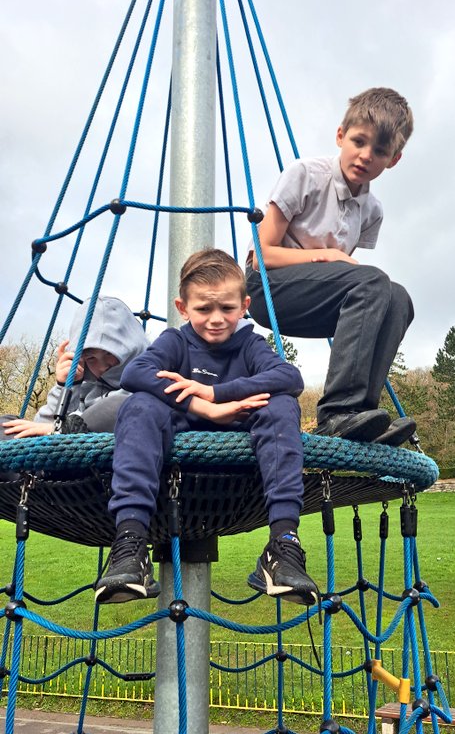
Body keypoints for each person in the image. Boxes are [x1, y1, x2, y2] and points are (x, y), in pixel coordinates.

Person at [95, 249, 320, 614]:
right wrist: (203, 407)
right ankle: (130, 544)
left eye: (227, 308)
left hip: (240, 439)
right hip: (179, 430)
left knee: (282, 405)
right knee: (139, 405)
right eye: (203, 309)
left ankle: (283, 544)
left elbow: (289, 377)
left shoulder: (249, 345)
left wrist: (217, 392)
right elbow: (136, 373)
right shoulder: (176, 341)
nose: (216, 319)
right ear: (183, 307)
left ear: (245, 305)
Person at [246, 87, 416, 445]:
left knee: (398, 299)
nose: (365, 156)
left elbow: (346, 283)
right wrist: (324, 255)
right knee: (374, 282)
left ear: (394, 159)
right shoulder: (305, 175)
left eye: (380, 151)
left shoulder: (372, 211)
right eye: (358, 141)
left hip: (315, 298)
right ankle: (336, 412)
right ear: (341, 136)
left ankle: (361, 417)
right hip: (268, 288)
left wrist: (336, 266)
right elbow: (258, 256)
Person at [0, 297, 149, 439]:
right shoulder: (86, 385)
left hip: (112, 454)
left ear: (130, 348)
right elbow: (41, 427)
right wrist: (66, 385)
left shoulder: (150, 376)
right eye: (91, 358)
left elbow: (142, 414)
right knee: (6, 425)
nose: (102, 366)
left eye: (110, 353)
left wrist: (63, 430)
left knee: (116, 405)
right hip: (64, 453)